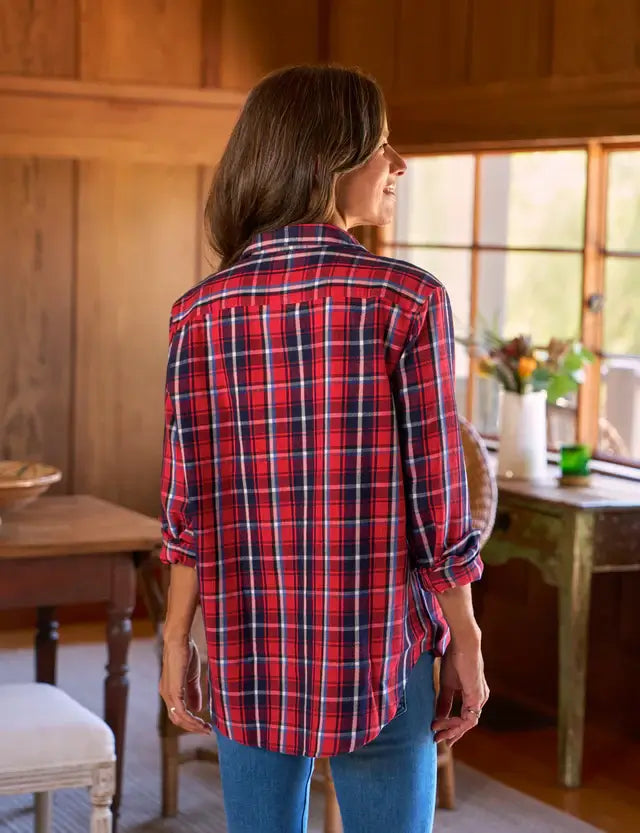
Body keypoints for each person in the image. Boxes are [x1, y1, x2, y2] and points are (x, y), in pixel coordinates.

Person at [158, 64, 488, 833]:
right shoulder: (408, 299)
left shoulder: (197, 313)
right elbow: (440, 505)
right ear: (326, 161)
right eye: (381, 146)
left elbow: (187, 506)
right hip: (381, 650)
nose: (398, 164)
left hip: (246, 645)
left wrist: (177, 640)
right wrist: (465, 636)